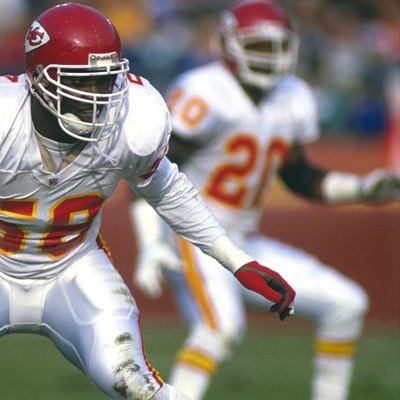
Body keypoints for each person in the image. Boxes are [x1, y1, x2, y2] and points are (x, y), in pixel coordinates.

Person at [0, 3, 297, 400]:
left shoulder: (134, 118)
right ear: (38, 78)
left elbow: (169, 190)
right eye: (83, 81)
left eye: (105, 80)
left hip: (74, 268)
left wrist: (236, 261)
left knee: (134, 382)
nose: (98, 96)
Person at [129, 1, 400, 400]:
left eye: (277, 47)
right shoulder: (204, 90)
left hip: (244, 240)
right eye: (257, 46)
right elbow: (150, 174)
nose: (269, 58)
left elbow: (300, 177)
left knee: (347, 304)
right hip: (193, 237)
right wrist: (151, 241)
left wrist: (360, 189)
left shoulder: (293, 95)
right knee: (220, 328)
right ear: (228, 45)